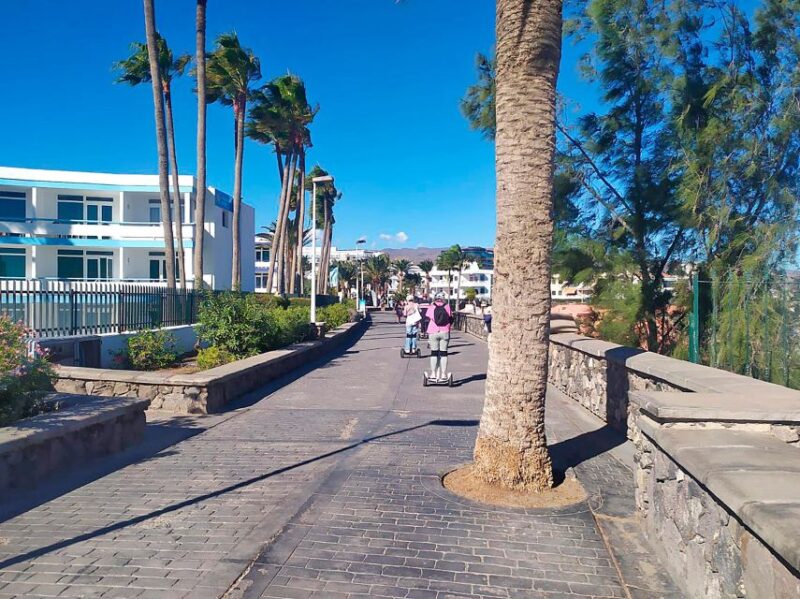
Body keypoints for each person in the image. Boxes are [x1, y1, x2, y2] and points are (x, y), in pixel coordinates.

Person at [426, 292, 453, 381]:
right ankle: (444, 374)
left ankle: (433, 374)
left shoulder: (431, 306)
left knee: (434, 352)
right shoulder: (447, 306)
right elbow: (450, 317)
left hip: (433, 331)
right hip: (444, 331)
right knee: (444, 353)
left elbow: (428, 317)